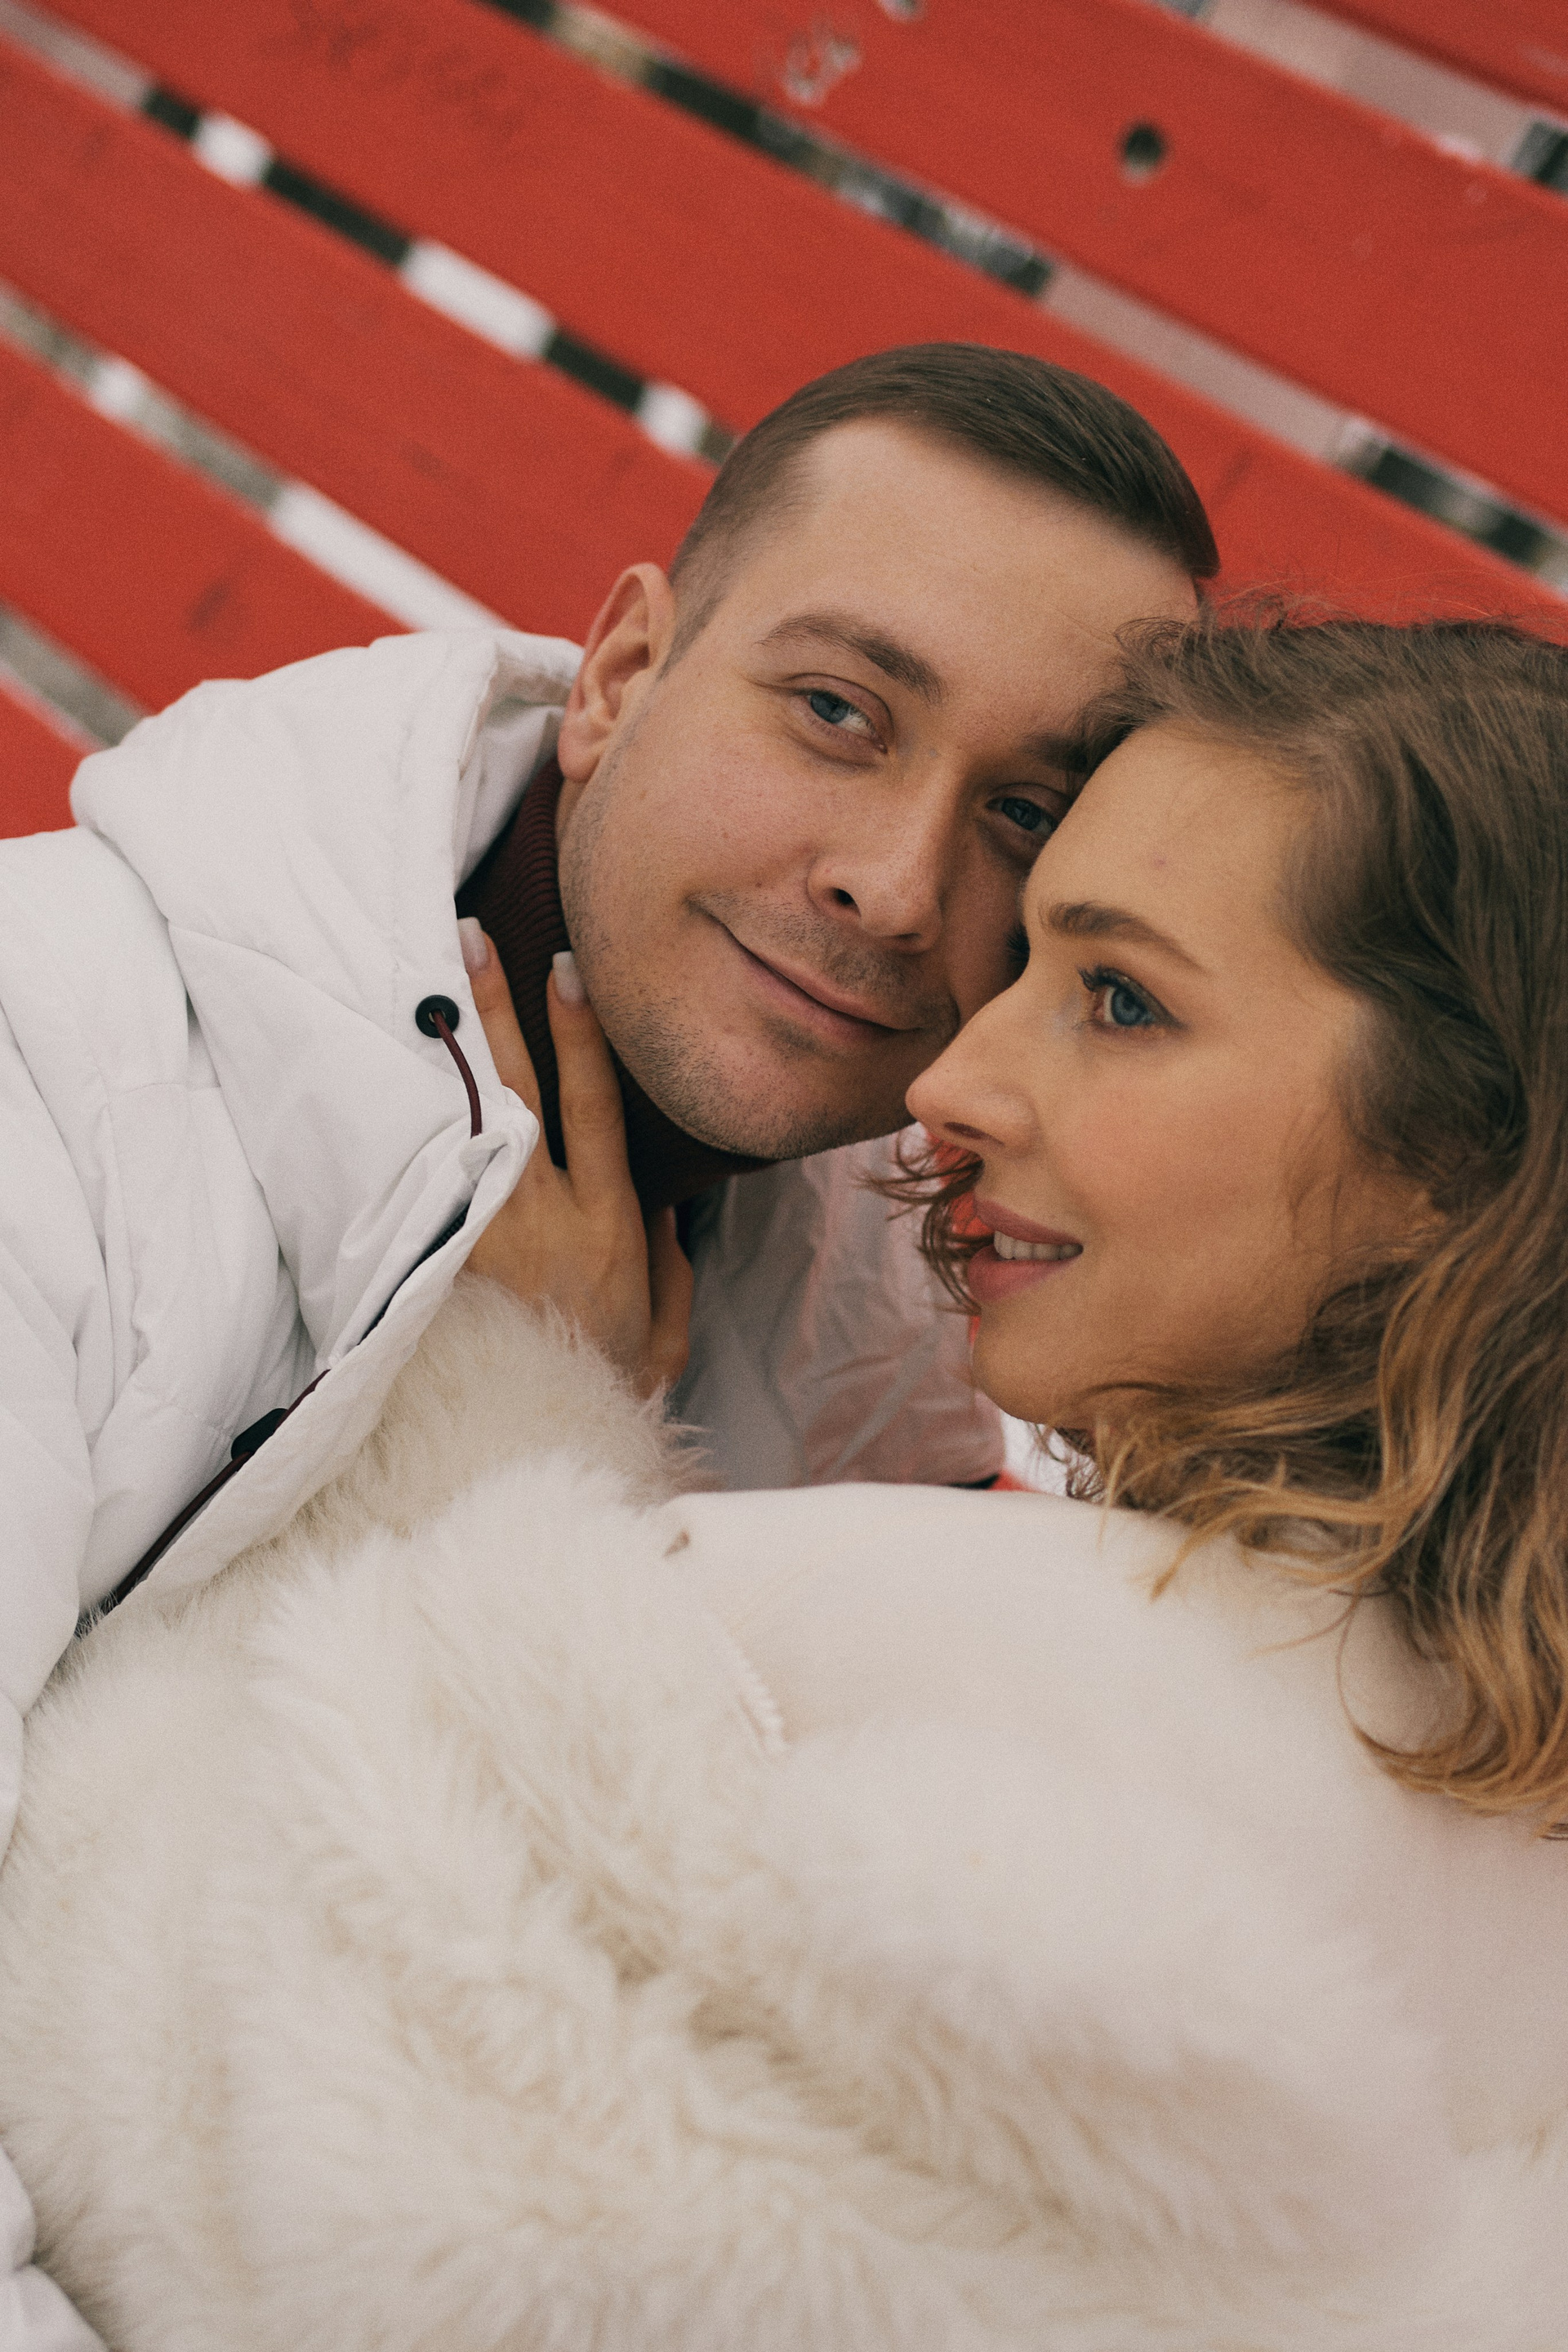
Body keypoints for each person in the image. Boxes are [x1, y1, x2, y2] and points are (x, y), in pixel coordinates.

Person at [7, 611, 1568, 2348]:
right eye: (1024, 969)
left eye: (1121, 1000)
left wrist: (504, 1417)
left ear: (1457, 1156)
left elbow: (132, 2069)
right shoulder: (1517, 1865)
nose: (951, 1081)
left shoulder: (821, 1644)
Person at [0, 340, 1210, 2345]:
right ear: (622, 673)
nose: (896, 884)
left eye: (1024, 813)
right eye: (838, 712)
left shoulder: (893, 1310)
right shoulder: (50, 1070)